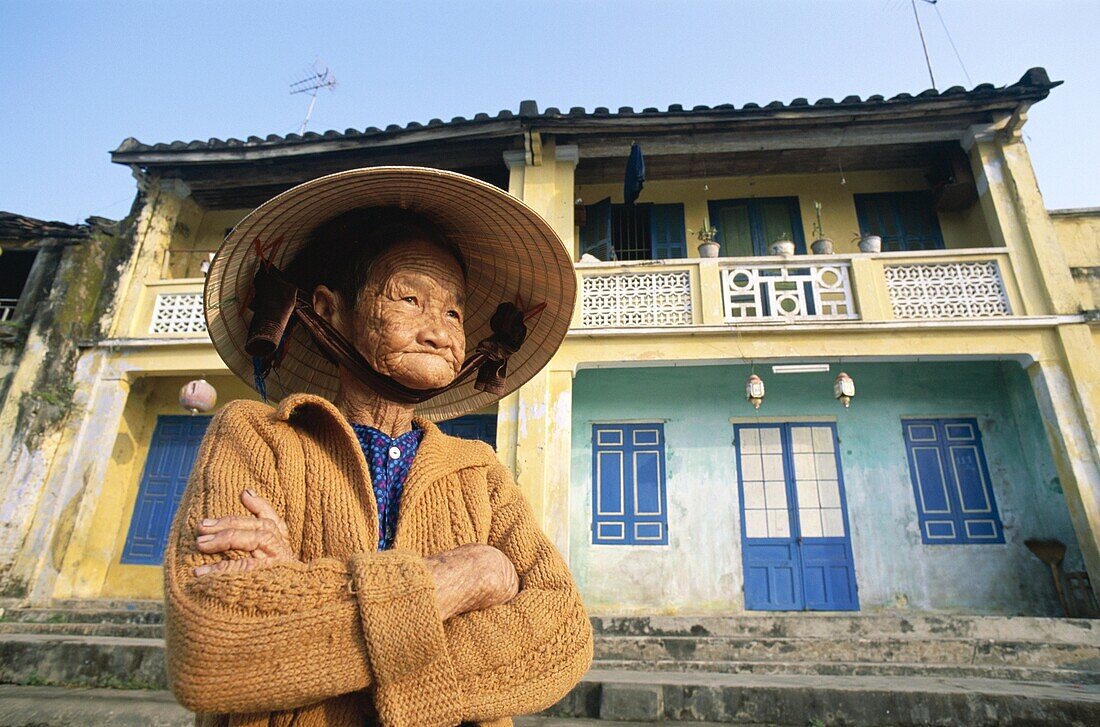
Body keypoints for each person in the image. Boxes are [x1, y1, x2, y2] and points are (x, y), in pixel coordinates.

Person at [163, 167, 592, 727]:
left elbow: (561, 638)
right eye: (410, 298)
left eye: (455, 311)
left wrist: (300, 595)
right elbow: (212, 649)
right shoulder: (254, 437)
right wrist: (469, 575)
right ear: (328, 308)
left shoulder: (480, 471)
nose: (441, 332)